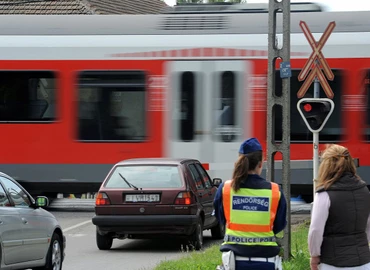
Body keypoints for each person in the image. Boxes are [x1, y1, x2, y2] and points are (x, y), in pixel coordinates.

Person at [214, 137, 287, 270]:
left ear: (239, 161)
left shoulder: (225, 189)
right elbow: (279, 225)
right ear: (261, 163)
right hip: (267, 263)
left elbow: (221, 218)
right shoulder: (275, 191)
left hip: (234, 262)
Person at [308, 144, 370, 270]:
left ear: (326, 166)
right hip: (364, 262)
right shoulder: (364, 190)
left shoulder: (324, 194)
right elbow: (368, 225)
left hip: (333, 263)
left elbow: (315, 230)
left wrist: (314, 256)